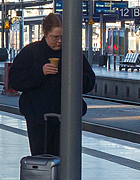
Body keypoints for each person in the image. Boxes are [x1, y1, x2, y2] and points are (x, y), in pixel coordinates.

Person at [12, 12, 96, 156]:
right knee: (41, 157)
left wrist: (74, 76)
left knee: (65, 158)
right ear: (45, 33)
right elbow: (15, 80)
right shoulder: (31, 52)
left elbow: (89, 82)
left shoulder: (72, 53)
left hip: (67, 116)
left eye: (62, 37)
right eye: (55, 37)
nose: (59, 41)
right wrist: (40, 72)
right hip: (37, 116)